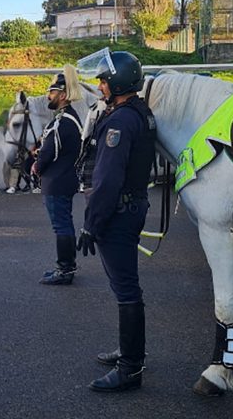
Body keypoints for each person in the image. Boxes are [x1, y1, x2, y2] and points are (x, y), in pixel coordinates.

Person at [77, 50, 155, 393]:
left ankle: (130, 369)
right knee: (126, 286)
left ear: (119, 82)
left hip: (117, 213)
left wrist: (91, 224)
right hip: (130, 207)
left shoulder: (121, 121)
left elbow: (107, 180)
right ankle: (130, 352)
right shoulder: (138, 112)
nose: (100, 85)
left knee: (125, 289)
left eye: (104, 79)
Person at [32, 65, 83, 286]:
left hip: (58, 181)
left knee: (61, 226)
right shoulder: (67, 117)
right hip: (64, 179)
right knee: (64, 224)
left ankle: (65, 270)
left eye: (52, 92)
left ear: (62, 95)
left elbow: (48, 152)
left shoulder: (63, 121)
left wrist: (37, 166)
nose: (48, 95)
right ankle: (66, 267)